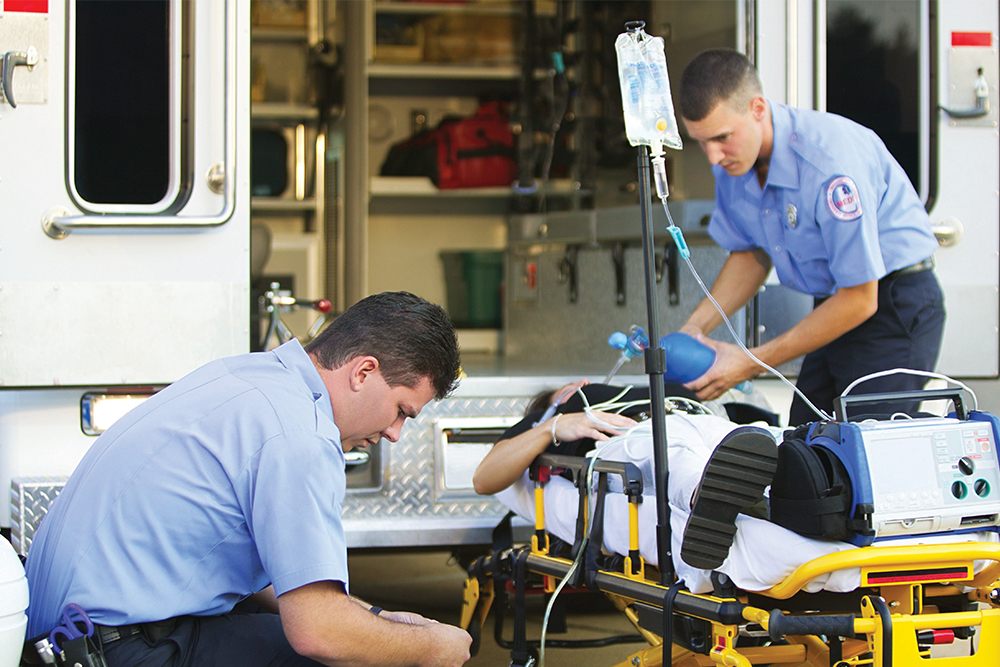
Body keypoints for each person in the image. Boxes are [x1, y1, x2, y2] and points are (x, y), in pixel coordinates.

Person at [24, 292, 472, 667]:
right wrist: (431, 648)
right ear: (363, 372)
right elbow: (319, 632)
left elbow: (281, 577)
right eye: (401, 411)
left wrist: (377, 617)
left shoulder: (244, 376)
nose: (394, 433)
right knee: (364, 657)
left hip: (61, 637)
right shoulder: (299, 434)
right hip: (116, 649)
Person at [676, 48, 945, 425]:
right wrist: (694, 328)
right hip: (836, 303)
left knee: (859, 444)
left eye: (721, 137)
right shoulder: (733, 164)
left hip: (891, 303)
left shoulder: (829, 164)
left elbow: (860, 298)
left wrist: (749, 362)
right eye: (701, 141)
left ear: (757, 108)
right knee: (803, 441)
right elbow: (752, 254)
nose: (713, 156)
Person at [473, 381, 779, 573]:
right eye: (567, 390)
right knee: (672, 458)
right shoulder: (559, 414)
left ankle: (789, 478)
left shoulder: (646, 386)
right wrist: (552, 425)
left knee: (765, 444)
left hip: (703, 421)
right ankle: (707, 496)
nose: (582, 383)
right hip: (633, 436)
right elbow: (484, 479)